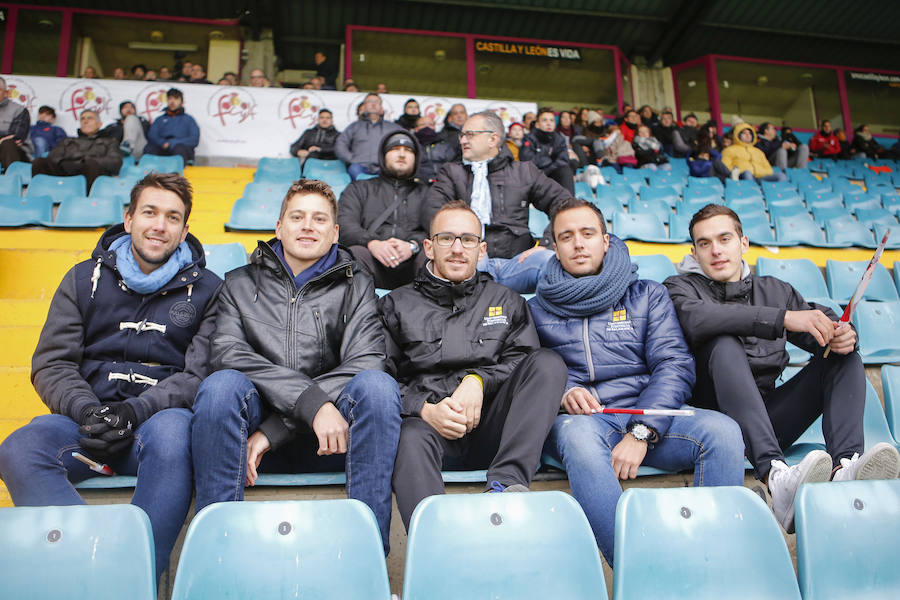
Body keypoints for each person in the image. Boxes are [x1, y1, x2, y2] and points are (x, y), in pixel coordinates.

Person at [0, 173, 221, 581]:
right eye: (150, 212)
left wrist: (134, 411)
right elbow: (52, 363)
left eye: (172, 217)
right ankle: (95, 573)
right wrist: (87, 411)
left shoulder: (210, 291)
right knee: (20, 447)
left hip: (156, 425)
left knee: (176, 434)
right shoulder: (81, 278)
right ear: (129, 218)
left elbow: (199, 375)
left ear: (185, 229)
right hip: (85, 424)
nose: (160, 225)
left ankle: (135, 579)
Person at [191, 179, 401, 553]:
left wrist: (276, 429)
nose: (307, 226)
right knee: (220, 386)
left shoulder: (357, 286)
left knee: (378, 388)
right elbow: (227, 355)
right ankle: (215, 554)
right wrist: (311, 403)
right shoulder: (238, 284)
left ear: (335, 233)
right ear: (279, 227)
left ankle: (367, 557)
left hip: (332, 437)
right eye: (297, 217)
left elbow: (367, 361)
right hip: (251, 430)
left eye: (319, 219)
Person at [531, 198, 745, 564]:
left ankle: (709, 564)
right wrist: (564, 392)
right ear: (555, 246)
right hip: (582, 422)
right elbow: (527, 372)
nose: (578, 244)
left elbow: (674, 364)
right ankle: (639, 571)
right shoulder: (536, 308)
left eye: (587, 234)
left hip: (646, 413)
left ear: (606, 241)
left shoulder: (646, 294)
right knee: (580, 440)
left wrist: (641, 431)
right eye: (566, 237)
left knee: (723, 432)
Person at [663, 205, 900, 532]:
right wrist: (783, 318)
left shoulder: (775, 290)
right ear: (694, 252)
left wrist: (842, 335)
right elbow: (699, 320)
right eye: (704, 243)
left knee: (842, 355)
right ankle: (776, 476)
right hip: (711, 429)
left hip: (768, 422)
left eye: (724, 239)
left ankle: (845, 466)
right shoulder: (678, 288)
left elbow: (820, 326)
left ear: (744, 243)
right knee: (724, 343)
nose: (716, 250)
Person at [383, 200, 567, 530]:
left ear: (481, 249)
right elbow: (378, 377)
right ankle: (434, 544)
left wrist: (478, 380)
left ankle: (505, 486)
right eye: (446, 238)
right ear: (428, 247)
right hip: (429, 431)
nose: (457, 249)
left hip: (492, 429)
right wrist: (423, 408)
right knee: (408, 436)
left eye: (467, 239)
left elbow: (523, 360)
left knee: (548, 363)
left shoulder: (506, 301)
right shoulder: (395, 304)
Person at [425, 110, 570, 292]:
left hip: (518, 262)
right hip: (469, 258)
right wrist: (461, 245)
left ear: (492, 139)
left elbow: (565, 204)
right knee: (470, 269)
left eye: (470, 134)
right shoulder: (451, 172)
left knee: (549, 261)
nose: (462, 140)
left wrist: (546, 244)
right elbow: (433, 212)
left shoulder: (524, 171)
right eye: (462, 135)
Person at [338, 130, 428, 289]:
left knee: (432, 254)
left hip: (414, 265)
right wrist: (372, 243)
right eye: (394, 149)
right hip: (372, 262)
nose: (402, 154)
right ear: (383, 156)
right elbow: (344, 223)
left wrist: (413, 245)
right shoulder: (359, 188)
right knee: (354, 253)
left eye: (408, 150)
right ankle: (359, 304)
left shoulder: (428, 192)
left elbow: (438, 228)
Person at [31, 109, 121, 190]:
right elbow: (53, 157)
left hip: (90, 172)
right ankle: (41, 194)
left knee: (91, 164)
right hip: (65, 170)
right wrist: (68, 163)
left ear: (99, 124)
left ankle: (87, 197)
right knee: (40, 162)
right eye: (82, 119)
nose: (85, 121)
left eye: (90, 118)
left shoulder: (109, 142)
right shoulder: (67, 141)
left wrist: (85, 160)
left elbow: (115, 162)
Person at [335, 93, 403, 180]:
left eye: (377, 102)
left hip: (384, 167)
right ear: (364, 106)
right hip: (360, 166)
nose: (373, 104)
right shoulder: (354, 126)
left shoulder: (392, 127)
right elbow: (341, 143)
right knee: (353, 169)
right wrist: (351, 159)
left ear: (381, 107)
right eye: (370, 101)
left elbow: (406, 141)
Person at [520, 108, 575, 194]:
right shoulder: (529, 138)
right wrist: (549, 159)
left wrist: (549, 168)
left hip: (552, 173)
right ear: (537, 124)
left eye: (551, 120)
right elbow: (527, 160)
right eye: (544, 120)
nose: (549, 123)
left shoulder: (559, 139)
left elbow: (563, 160)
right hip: (534, 176)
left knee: (565, 170)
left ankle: (569, 201)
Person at [145, 88, 200, 164]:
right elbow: (152, 135)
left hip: (181, 148)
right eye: (170, 99)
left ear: (182, 102)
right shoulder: (160, 119)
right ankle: (149, 170)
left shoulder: (189, 119)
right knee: (150, 149)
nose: (172, 102)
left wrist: (172, 143)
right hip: (163, 146)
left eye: (176, 99)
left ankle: (177, 171)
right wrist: (162, 142)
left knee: (179, 149)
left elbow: (194, 139)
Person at [721, 123, 786, 182]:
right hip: (742, 177)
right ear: (737, 135)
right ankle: (753, 190)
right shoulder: (729, 150)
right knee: (747, 173)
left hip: (760, 177)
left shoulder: (758, 151)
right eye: (744, 133)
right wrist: (740, 171)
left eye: (750, 133)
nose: (748, 135)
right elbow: (725, 167)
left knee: (781, 176)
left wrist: (760, 172)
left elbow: (769, 169)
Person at [0, 76, 31, 169]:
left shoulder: (19, 110)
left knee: (8, 143)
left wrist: (4, 139)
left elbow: (16, 136)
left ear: (6, 93)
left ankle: (10, 176)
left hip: (16, 152)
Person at [413, 115, 455, 182]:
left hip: (442, 182)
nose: (427, 127)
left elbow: (453, 167)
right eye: (422, 124)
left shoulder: (444, 145)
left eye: (430, 124)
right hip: (417, 184)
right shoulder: (411, 145)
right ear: (416, 128)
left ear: (435, 127)